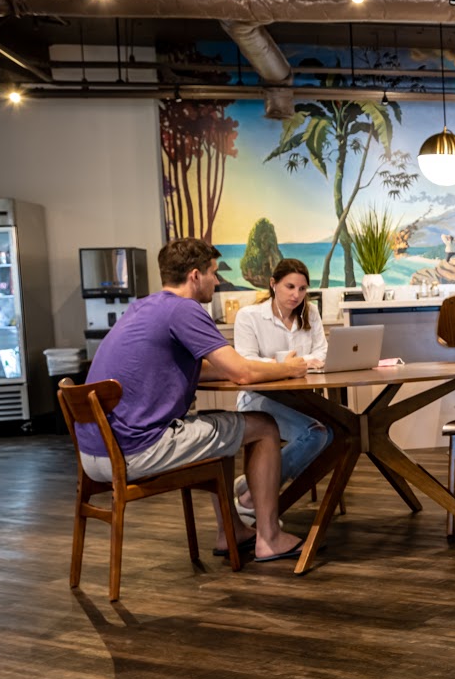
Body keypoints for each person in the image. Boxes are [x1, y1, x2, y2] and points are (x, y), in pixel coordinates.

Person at [73, 238, 308, 562]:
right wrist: (290, 368)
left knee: (223, 424)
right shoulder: (184, 309)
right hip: (135, 450)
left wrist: (254, 369)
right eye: (213, 272)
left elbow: (205, 370)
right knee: (265, 427)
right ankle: (269, 538)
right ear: (195, 275)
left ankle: (231, 531)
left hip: (94, 453)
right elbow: (242, 373)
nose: (217, 280)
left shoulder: (144, 306)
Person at [229, 258, 333, 520]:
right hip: (258, 399)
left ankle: (252, 483)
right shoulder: (249, 316)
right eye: (290, 287)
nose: (296, 295)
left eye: (302, 289)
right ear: (273, 284)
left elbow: (322, 353)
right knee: (315, 434)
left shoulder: (310, 313)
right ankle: (251, 498)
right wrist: (286, 366)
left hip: (300, 399)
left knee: (339, 431)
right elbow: (246, 361)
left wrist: (291, 364)